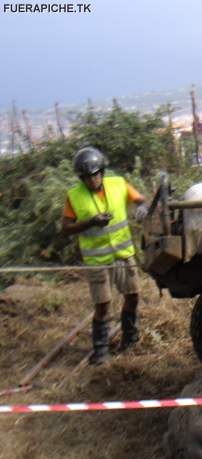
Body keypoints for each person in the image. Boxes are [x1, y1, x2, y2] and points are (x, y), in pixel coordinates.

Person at [62, 146, 149, 364]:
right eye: (88, 177)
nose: (93, 180)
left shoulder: (119, 184)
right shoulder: (74, 196)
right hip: (97, 261)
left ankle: (130, 339)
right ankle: (100, 350)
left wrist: (143, 208)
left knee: (133, 296)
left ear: (102, 171)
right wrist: (90, 222)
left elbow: (142, 200)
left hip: (123, 255)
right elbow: (66, 227)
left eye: (96, 175)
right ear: (81, 178)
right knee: (102, 304)